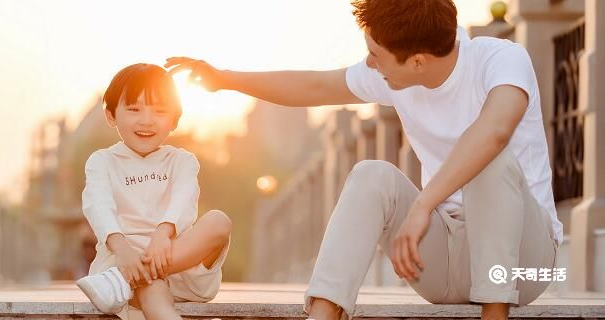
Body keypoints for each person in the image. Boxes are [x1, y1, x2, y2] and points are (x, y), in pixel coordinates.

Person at [164, 1, 561, 319]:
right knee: (372, 173)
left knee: (489, 158)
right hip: (447, 263)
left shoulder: (501, 60)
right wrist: (226, 79)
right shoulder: (395, 75)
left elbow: (493, 132)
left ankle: (495, 314)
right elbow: (315, 85)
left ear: (418, 61)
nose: (369, 62)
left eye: (375, 54)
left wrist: (423, 204)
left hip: (521, 266)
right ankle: (323, 313)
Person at [77, 63, 232, 320]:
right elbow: (98, 205)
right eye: (134, 109)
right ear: (111, 115)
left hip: (177, 260)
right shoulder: (102, 161)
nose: (146, 120)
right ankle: (134, 277)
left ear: (174, 120)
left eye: (159, 111)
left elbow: (184, 199)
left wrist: (164, 232)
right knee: (153, 292)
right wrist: (123, 249)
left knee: (219, 221)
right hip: (123, 260)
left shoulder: (183, 161)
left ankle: (131, 278)